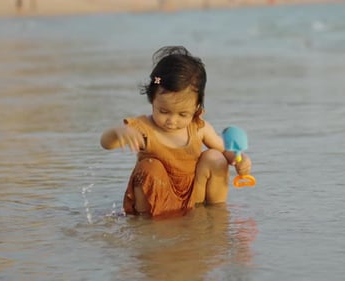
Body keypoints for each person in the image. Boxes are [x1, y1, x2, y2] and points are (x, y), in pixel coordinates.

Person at [100, 46, 252, 218]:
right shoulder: (144, 128)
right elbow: (105, 144)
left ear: (196, 107)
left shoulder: (198, 127)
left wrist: (240, 159)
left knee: (215, 157)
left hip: (194, 197)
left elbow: (225, 151)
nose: (172, 120)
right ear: (152, 99)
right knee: (148, 167)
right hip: (156, 200)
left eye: (183, 114)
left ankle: (217, 214)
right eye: (163, 111)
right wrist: (117, 133)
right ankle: (145, 223)